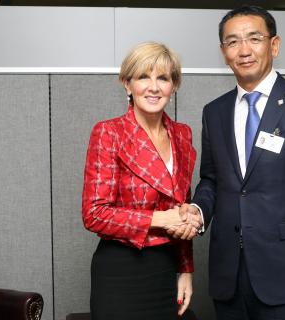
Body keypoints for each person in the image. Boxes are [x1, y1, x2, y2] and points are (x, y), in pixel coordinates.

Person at [168, 6, 285, 319]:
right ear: (223, 52)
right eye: (233, 42)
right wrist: (197, 210)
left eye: (254, 39)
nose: (244, 50)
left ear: (274, 45)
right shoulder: (215, 112)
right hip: (228, 275)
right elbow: (212, 179)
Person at [81, 42, 198, 320]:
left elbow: (181, 209)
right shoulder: (109, 132)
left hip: (166, 267)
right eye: (144, 76)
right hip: (121, 270)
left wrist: (185, 270)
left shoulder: (182, 135)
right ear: (127, 84)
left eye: (163, 78)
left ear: (174, 85)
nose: (153, 87)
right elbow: (94, 214)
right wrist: (160, 219)